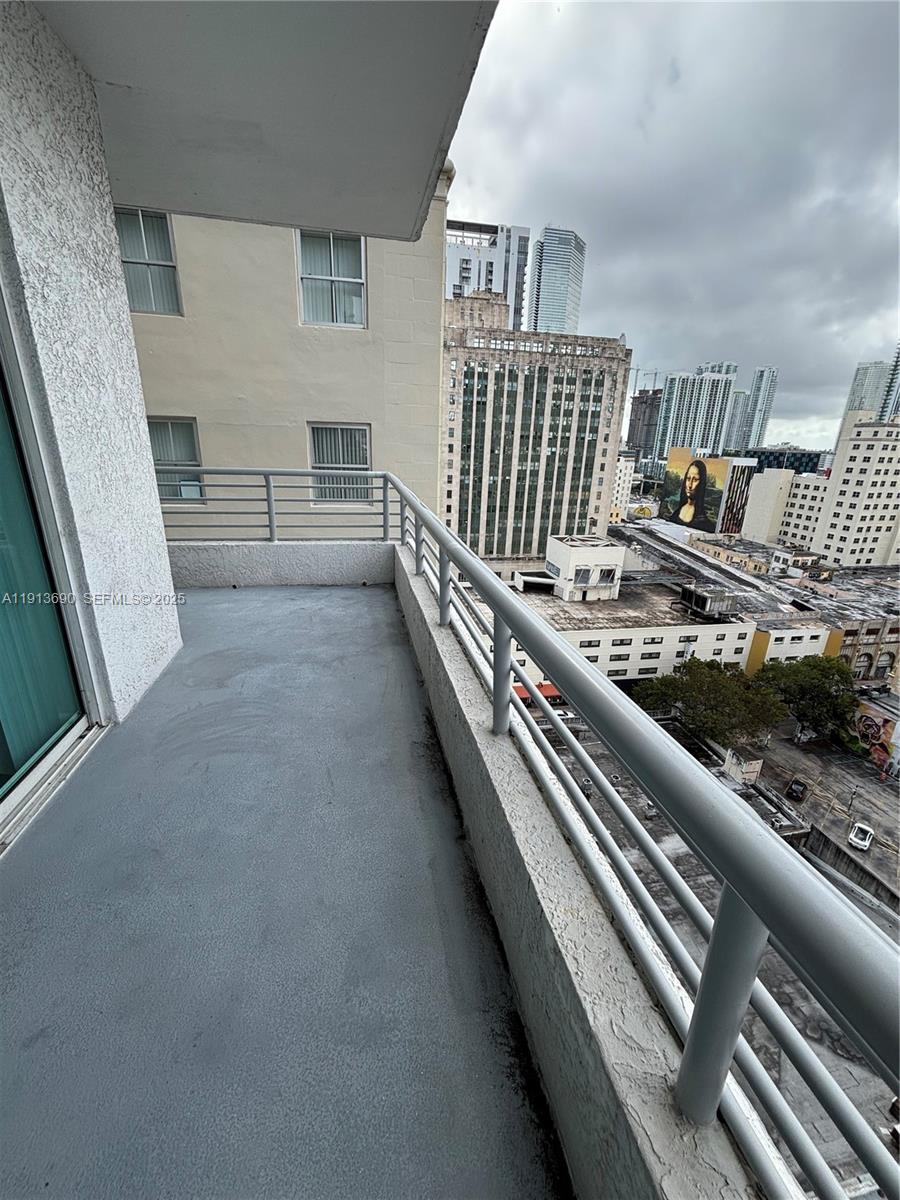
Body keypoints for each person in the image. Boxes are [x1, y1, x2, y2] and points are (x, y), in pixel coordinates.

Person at [664, 459, 716, 531]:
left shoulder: (705, 523)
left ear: (702, 483)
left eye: (695, 480)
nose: (690, 485)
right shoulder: (677, 512)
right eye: (688, 479)